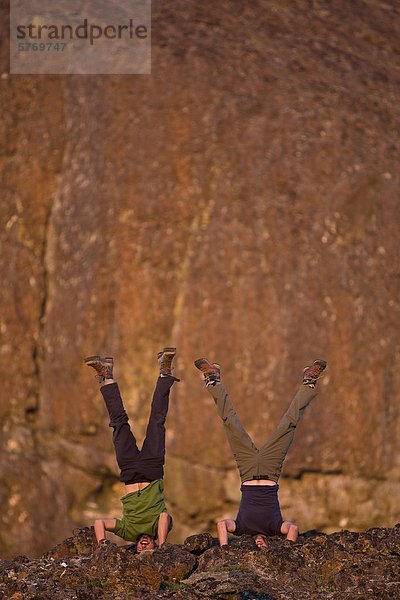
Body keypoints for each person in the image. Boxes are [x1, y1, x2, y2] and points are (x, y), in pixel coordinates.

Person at [194, 357, 327, 549]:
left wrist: (224, 549)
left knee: (230, 423)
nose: (260, 544)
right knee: (288, 424)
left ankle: (213, 380)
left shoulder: (242, 528)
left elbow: (222, 525)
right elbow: (293, 529)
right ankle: (309, 383)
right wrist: (287, 550)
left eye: (257, 547)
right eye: (264, 547)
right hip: (270, 469)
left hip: (247, 470)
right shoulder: (274, 528)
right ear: (269, 544)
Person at [85, 348, 179, 552]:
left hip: (128, 471)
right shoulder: (158, 529)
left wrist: (102, 547)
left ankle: (107, 375)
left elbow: (100, 523)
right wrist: (161, 544)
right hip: (152, 469)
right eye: (148, 549)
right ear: (152, 544)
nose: (144, 546)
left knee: (118, 424)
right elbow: (164, 516)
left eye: (140, 550)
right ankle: (165, 372)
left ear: (134, 547)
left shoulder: (128, 532)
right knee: (157, 421)